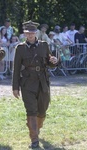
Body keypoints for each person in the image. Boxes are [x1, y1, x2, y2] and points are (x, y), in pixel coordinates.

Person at [12, 20, 58, 149]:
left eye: (32, 32)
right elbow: (16, 69)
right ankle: (34, 139)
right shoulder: (20, 48)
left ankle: (37, 129)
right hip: (27, 83)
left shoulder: (43, 45)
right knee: (31, 110)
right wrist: (15, 87)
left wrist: (54, 61)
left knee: (42, 110)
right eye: (27, 33)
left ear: (36, 32)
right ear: (25, 34)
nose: (30, 35)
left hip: (43, 82)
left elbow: (49, 62)